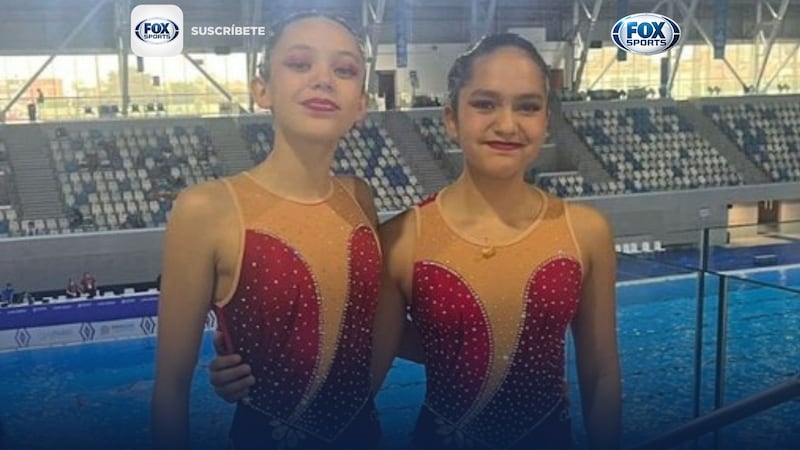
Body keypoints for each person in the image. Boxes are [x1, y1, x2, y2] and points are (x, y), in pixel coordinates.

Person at [211, 32, 621, 450]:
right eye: (484, 104)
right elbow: (357, 378)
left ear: (547, 120)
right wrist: (255, 370)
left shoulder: (584, 232)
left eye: (528, 106)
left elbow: (601, 373)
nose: (507, 124)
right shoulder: (405, 240)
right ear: (450, 119)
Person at [152, 12, 384, 450]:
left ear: (361, 105)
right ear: (262, 90)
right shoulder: (207, 209)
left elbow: (371, 332)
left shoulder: (360, 199)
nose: (323, 79)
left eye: (345, 70)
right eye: (299, 64)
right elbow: (170, 388)